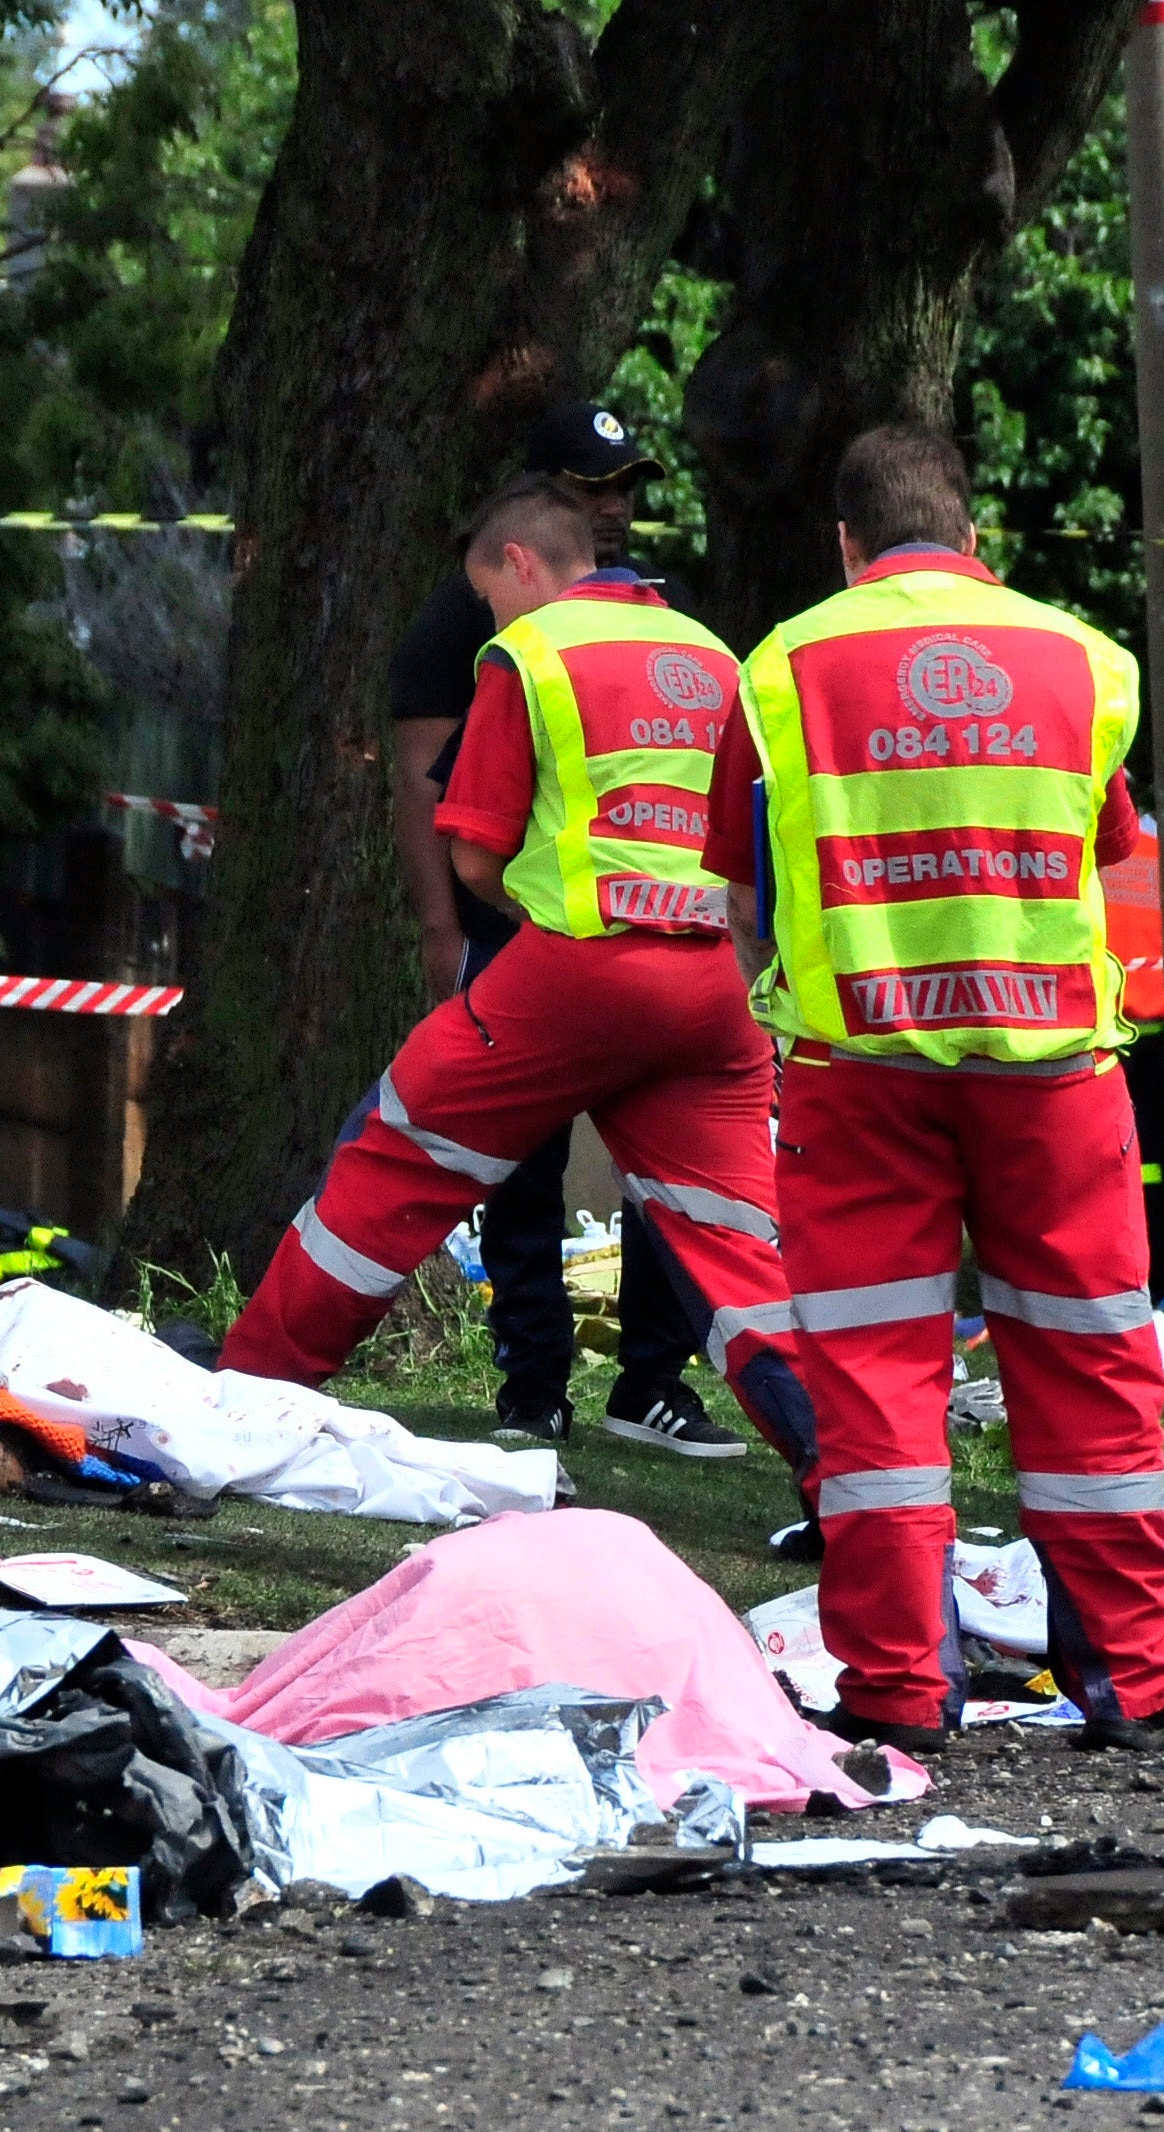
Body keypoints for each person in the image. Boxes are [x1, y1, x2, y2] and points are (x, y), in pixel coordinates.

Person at [702, 422, 1164, 1757]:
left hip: (860, 1065)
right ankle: (1133, 1678)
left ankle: (905, 1689)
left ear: (846, 546)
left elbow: (749, 889)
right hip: (1054, 1070)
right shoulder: (1086, 661)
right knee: (1091, 1360)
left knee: (876, 1387)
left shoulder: (784, 666)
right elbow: (1108, 845)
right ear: (974, 540)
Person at [219, 479, 816, 1486]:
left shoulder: (529, 655)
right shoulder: (717, 654)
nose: (490, 614)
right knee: (738, 1249)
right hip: (716, 980)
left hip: (578, 967)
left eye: (487, 592)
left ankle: (246, 1393)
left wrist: (543, 907)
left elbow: (475, 851)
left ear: (522, 565)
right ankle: (847, 1469)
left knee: (395, 1153)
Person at [383, 400, 719, 1452]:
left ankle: (651, 1381)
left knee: (666, 1162)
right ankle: (534, 1384)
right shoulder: (467, 616)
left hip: (647, 932)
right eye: (591, 488)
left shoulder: (670, 613)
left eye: (623, 487)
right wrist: (445, 928)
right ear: (536, 508)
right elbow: (419, 781)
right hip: (516, 928)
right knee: (518, 1161)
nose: (615, 507)